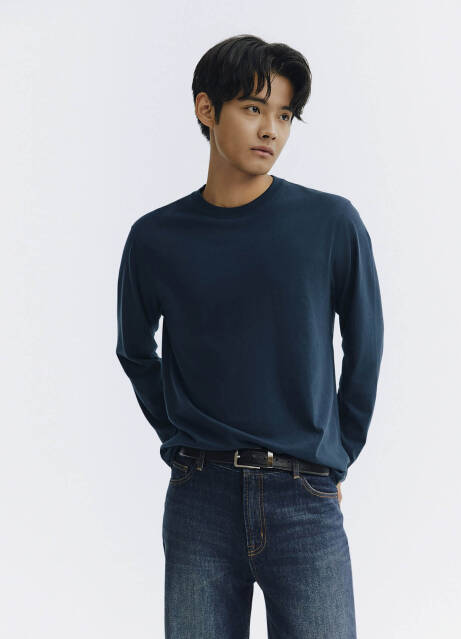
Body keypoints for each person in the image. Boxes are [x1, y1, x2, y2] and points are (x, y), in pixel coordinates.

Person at [116, 33, 384, 639]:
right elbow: (135, 350)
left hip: (304, 495)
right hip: (199, 500)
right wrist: (180, 434)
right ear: (206, 109)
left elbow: (365, 345)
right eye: (253, 108)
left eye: (284, 115)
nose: (271, 130)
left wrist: (336, 457)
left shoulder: (330, 222)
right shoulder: (156, 238)